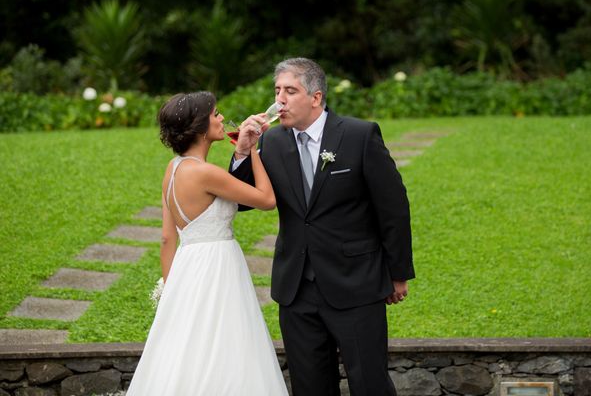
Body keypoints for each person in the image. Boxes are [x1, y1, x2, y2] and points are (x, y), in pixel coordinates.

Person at [231, 58, 415, 395]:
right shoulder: (271, 143)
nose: (280, 100)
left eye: (290, 91)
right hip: (296, 289)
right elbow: (241, 200)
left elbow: (393, 207)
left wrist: (398, 272)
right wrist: (244, 152)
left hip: (356, 283)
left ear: (316, 97)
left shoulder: (359, 135)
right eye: (277, 91)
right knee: (310, 386)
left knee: (369, 383)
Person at [127, 91, 288, 396]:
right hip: (217, 268)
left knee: (187, 346)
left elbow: (167, 237)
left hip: (187, 269)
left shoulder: (173, 169)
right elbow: (267, 200)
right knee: (226, 344)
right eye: (215, 114)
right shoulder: (205, 173)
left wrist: (170, 288)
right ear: (201, 127)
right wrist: (252, 150)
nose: (222, 118)